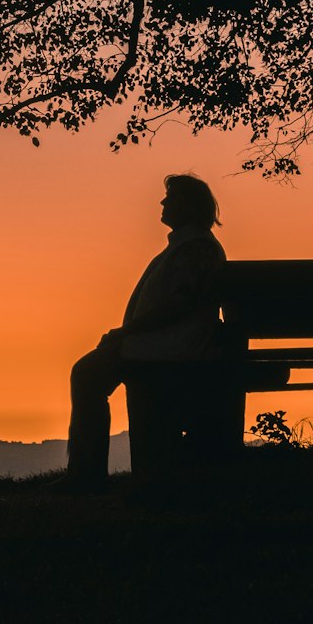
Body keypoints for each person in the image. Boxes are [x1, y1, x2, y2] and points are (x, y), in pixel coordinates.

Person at [63, 173, 226, 490]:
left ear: (190, 206)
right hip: (158, 346)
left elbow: (179, 305)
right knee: (86, 373)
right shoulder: (189, 247)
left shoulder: (194, 249)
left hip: (167, 351)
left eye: (172, 197)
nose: (163, 202)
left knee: (86, 374)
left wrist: (126, 333)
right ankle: (85, 473)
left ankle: (86, 474)